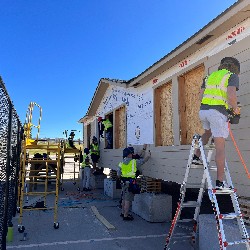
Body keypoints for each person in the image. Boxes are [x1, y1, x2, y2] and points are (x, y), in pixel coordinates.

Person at [192, 57, 241, 190]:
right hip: (217, 113)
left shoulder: (209, 77)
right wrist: (235, 109)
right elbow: (231, 96)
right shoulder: (232, 76)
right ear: (234, 68)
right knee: (220, 147)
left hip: (204, 111)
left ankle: (196, 156)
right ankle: (220, 182)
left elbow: (201, 96)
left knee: (207, 133)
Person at [118, 144, 151, 221]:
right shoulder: (134, 162)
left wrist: (143, 148)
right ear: (129, 154)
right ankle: (126, 216)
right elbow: (143, 161)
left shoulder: (121, 163)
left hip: (123, 182)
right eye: (131, 153)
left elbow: (118, 174)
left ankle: (123, 213)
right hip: (130, 183)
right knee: (128, 200)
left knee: (123, 198)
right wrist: (148, 156)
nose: (132, 154)